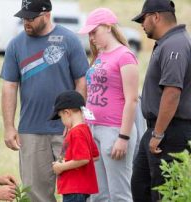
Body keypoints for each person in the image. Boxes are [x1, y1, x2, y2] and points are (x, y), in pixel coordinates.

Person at [0, 0, 89, 200]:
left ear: (47, 14)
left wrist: (76, 122)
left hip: (66, 130)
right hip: (31, 130)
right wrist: (8, 126)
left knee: (74, 191)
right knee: (35, 194)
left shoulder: (69, 39)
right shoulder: (15, 45)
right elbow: (9, 86)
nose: (26, 22)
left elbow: (81, 81)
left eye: (31, 18)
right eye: (24, 17)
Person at [131, 0, 191, 201]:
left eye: (144, 19)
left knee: (164, 192)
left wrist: (158, 133)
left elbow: (172, 92)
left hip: (170, 131)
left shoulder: (176, 44)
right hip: (159, 129)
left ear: (156, 16)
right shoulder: (168, 43)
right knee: (141, 186)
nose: (142, 24)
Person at [78, 8, 139, 202]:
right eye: (89, 33)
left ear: (108, 27)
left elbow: (132, 99)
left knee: (119, 194)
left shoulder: (125, 56)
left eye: (94, 32)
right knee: (98, 194)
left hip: (114, 130)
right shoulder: (100, 55)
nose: (91, 37)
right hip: (94, 129)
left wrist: (123, 136)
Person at [50, 90, 99, 202]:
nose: (62, 121)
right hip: (79, 188)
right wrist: (64, 162)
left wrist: (61, 167)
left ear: (67, 113)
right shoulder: (85, 129)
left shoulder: (76, 133)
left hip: (74, 188)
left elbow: (83, 159)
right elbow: (94, 156)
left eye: (61, 117)